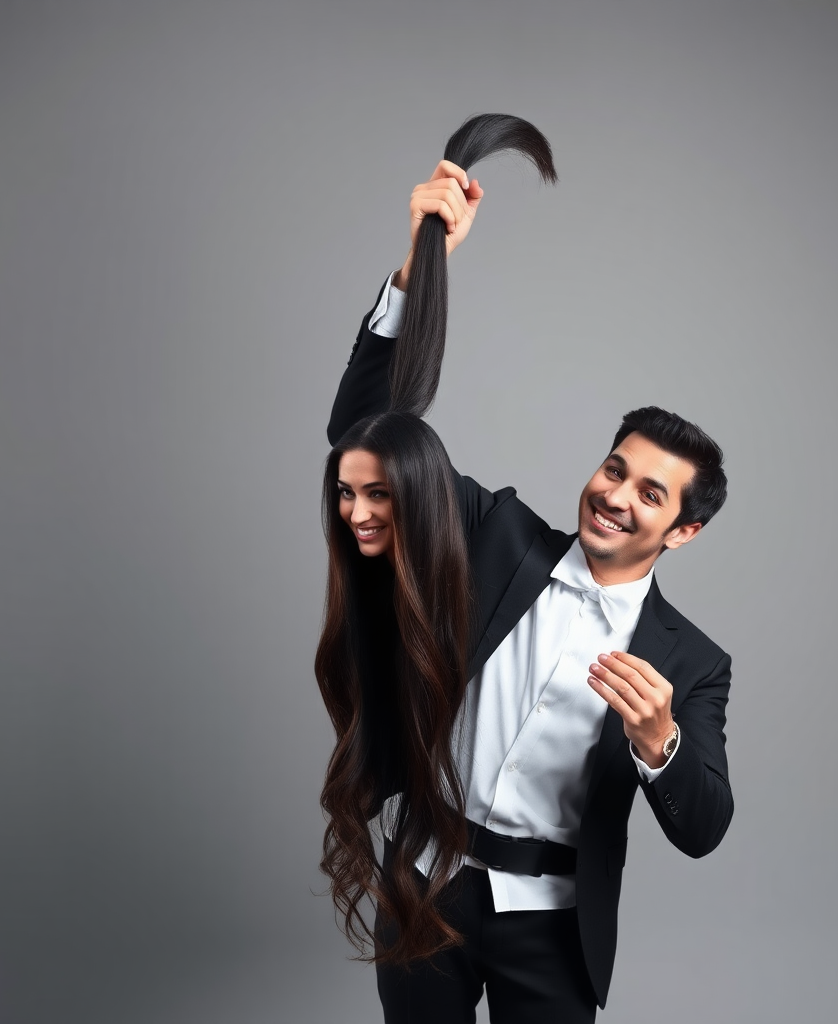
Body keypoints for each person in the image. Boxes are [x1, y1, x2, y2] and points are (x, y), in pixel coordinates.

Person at [326, 157, 734, 1024]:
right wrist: (419, 268)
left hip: (552, 928)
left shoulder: (692, 664)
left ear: (683, 531)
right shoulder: (495, 534)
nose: (616, 496)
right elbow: (366, 437)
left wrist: (659, 740)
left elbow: (703, 826)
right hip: (427, 886)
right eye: (614, 468)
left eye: (650, 495)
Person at [314, 411, 478, 967]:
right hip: (413, 863)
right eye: (345, 493)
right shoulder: (365, 585)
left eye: (377, 494)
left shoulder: (479, 573)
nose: (357, 514)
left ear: (418, 494)